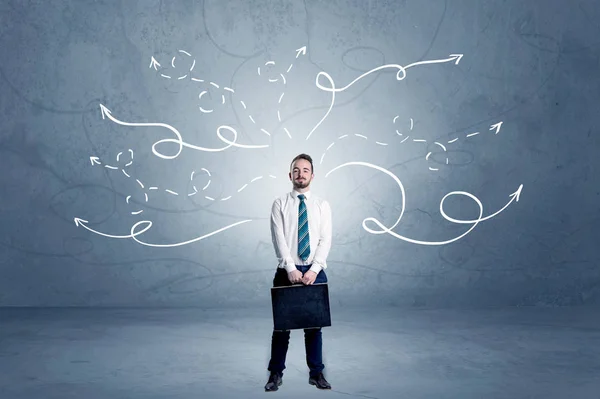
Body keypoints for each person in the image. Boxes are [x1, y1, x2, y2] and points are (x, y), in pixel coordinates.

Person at [264, 153, 333, 392]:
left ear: (312, 175)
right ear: (290, 174)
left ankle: (317, 373)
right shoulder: (279, 203)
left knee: (314, 327)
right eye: (296, 170)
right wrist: (290, 267)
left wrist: (314, 270)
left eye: (305, 170)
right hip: (287, 270)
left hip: (314, 270)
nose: (300, 174)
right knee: (281, 328)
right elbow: (278, 238)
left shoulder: (322, 205)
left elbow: (325, 239)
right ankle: (275, 374)